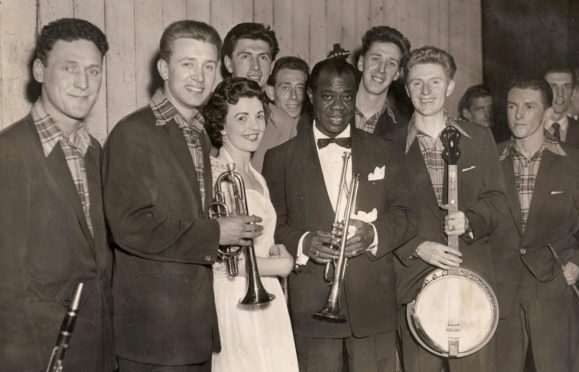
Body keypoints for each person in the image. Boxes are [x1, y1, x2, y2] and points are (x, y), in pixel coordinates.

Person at [101, 21, 263, 371]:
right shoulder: (134, 133)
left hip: (194, 326)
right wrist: (216, 232)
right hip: (154, 333)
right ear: (163, 68)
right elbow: (130, 227)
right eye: (187, 64)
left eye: (208, 66)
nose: (200, 77)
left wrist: (223, 238)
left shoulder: (200, 135)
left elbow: (189, 218)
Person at [263, 56, 417, 372]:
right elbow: (274, 224)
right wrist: (304, 243)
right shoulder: (279, 158)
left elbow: (407, 215)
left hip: (372, 303)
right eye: (327, 96)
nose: (338, 106)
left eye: (347, 96)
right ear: (310, 96)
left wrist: (372, 234)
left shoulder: (385, 151)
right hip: (312, 306)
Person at [0, 18, 115, 371]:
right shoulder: (10, 152)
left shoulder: (97, 151)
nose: (84, 83)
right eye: (70, 68)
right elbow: (6, 284)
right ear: (39, 70)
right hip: (39, 353)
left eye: (94, 71)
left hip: (97, 349)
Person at [391, 46, 506, 372]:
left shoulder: (480, 138)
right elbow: (381, 215)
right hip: (415, 283)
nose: (425, 92)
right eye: (416, 83)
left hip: (472, 289)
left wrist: (470, 219)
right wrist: (416, 247)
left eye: (435, 82)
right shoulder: (387, 145)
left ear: (451, 86)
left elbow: (497, 201)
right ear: (406, 86)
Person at [202, 77, 298, 372]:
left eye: (259, 116)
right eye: (241, 118)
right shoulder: (216, 172)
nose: (254, 126)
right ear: (221, 126)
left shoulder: (257, 176)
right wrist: (283, 266)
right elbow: (224, 261)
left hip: (268, 297)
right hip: (236, 297)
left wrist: (275, 250)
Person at [494, 78, 579, 372]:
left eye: (529, 107)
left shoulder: (574, 163)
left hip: (553, 286)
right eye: (512, 106)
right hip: (500, 288)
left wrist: (577, 264)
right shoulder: (489, 159)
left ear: (546, 113)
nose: (518, 115)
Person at [221, 22, 297, 172]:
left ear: (272, 66)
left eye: (263, 58)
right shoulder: (209, 113)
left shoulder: (285, 125)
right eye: (246, 57)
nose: (255, 66)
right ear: (229, 64)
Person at [355, 26, 411, 138]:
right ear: (361, 63)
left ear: (397, 74)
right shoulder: (330, 113)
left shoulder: (404, 130)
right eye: (376, 59)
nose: (381, 69)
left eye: (391, 63)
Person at [542, 67, 579, 148]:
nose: (560, 93)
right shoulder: (527, 129)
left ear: (573, 94)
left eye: (566, 86)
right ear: (542, 92)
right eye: (553, 86)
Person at [265, 56, 309, 122]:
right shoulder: (258, 129)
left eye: (300, 88)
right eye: (286, 88)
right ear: (271, 93)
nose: (294, 96)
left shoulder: (313, 129)